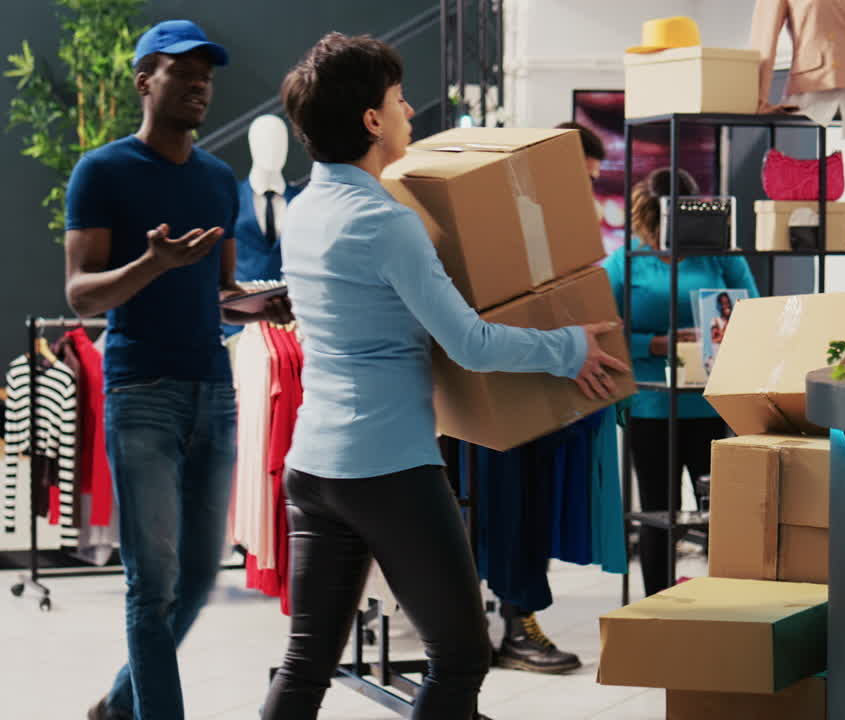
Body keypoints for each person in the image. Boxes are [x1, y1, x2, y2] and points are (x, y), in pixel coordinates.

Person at [262, 33, 628, 719]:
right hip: (389, 470)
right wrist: (568, 349)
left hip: (313, 467)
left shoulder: (306, 208)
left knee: (307, 663)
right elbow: (470, 343)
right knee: (460, 655)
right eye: (399, 102)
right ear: (371, 121)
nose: (408, 114)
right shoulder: (384, 222)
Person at [62, 20, 289, 720]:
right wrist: (150, 265)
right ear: (143, 80)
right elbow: (78, 290)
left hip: (213, 395)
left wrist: (266, 304)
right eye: (182, 72)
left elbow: (219, 294)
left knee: (195, 581)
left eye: (207, 75)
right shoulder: (102, 172)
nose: (199, 85)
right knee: (151, 586)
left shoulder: (218, 180)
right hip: (142, 395)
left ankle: (116, 706)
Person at [481, 120, 612, 676]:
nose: (589, 191)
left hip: (544, 384)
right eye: (583, 178)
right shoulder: (506, 221)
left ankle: (515, 619)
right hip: (503, 385)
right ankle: (511, 625)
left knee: (529, 508)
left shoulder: (564, 228)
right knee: (509, 509)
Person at [602, 167, 758, 598]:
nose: (664, 240)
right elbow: (601, 333)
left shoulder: (720, 255)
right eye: (655, 230)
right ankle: (658, 611)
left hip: (710, 404)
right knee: (657, 516)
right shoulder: (625, 260)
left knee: (722, 520)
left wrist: (718, 331)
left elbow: (756, 312)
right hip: (651, 408)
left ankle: (722, 608)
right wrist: (654, 344)